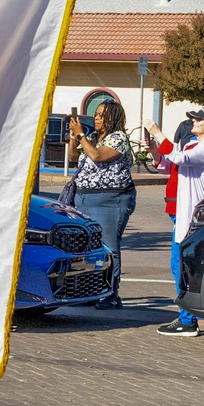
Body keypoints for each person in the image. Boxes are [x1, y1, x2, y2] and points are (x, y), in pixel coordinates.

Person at [145, 105, 204, 336]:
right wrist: (155, 149)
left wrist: (159, 134)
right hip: (186, 215)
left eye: (198, 119)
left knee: (184, 267)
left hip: (197, 217)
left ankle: (188, 319)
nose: (192, 121)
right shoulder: (195, 144)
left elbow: (180, 157)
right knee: (179, 266)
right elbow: (169, 165)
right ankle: (186, 318)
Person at [68, 99, 136, 308]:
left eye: (101, 114)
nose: (96, 118)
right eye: (95, 114)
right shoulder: (92, 137)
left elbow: (97, 156)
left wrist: (80, 135)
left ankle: (111, 295)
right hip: (84, 198)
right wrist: (74, 139)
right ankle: (89, 293)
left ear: (112, 117)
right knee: (88, 248)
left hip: (110, 200)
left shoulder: (119, 139)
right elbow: (73, 157)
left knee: (108, 247)